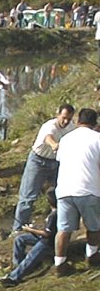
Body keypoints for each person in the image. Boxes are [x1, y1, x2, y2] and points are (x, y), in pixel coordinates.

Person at [12, 104, 75, 231]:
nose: (66, 121)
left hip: (56, 163)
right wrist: (54, 145)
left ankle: (58, 225)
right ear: (58, 114)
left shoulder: (71, 128)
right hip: (38, 162)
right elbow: (48, 137)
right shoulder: (50, 125)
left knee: (60, 194)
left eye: (68, 118)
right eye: (63, 118)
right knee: (28, 196)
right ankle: (18, 228)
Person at [52, 108, 100, 276]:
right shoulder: (98, 139)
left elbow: (60, 160)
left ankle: (59, 264)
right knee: (94, 227)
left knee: (64, 229)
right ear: (95, 123)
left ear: (78, 121)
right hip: (88, 189)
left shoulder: (65, 139)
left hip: (65, 189)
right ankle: (92, 256)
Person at [0, 188, 58, 287]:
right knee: (20, 239)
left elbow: (47, 234)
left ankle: (13, 278)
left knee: (30, 257)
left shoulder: (54, 215)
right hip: (43, 238)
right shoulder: (54, 213)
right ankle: (18, 267)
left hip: (47, 243)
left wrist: (31, 230)